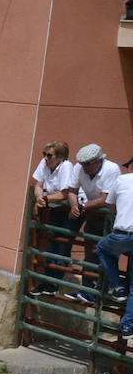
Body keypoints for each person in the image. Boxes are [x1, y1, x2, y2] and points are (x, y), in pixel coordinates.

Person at [63, 144, 123, 305]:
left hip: (109, 217)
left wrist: (81, 207)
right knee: (90, 253)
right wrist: (74, 205)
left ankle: (101, 291)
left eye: (87, 164)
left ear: (98, 161)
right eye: (82, 164)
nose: (84, 168)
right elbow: (71, 190)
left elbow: (106, 199)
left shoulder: (111, 169)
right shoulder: (79, 168)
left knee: (104, 254)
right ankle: (87, 291)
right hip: (92, 214)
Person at [94, 157, 133, 341]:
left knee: (102, 248)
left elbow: (109, 206)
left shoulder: (122, 180)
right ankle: (128, 325)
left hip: (122, 235)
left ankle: (117, 287)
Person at [30, 141, 76, 295]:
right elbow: (38, 186)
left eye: (49, 155)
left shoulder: (66, 167)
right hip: (54, 208)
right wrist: (40, 198)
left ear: (60, 157)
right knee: (51, 243)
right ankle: (49, 282)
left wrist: (45, 200)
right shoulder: (44, 164)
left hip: (68, 209)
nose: (45, 158)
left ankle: (54, 283)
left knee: (62, 245)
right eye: (44, 154)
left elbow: (64, 193)